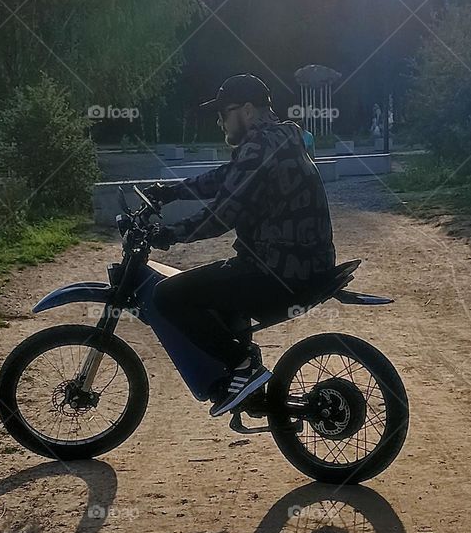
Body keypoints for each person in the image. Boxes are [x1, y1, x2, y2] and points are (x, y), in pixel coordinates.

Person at [143, 74, 336, 418]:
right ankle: (246, 380)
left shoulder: (259, 146)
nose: (219, 121)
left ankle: (243, 365)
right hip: (306, 266)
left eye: (223, 113)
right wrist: (172, 192)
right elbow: (225, 177)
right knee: (218, 287)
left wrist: (169, 234)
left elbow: (223, 214)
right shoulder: (282, 137)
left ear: (247, 110)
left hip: (276, 272)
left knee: (167, 296)